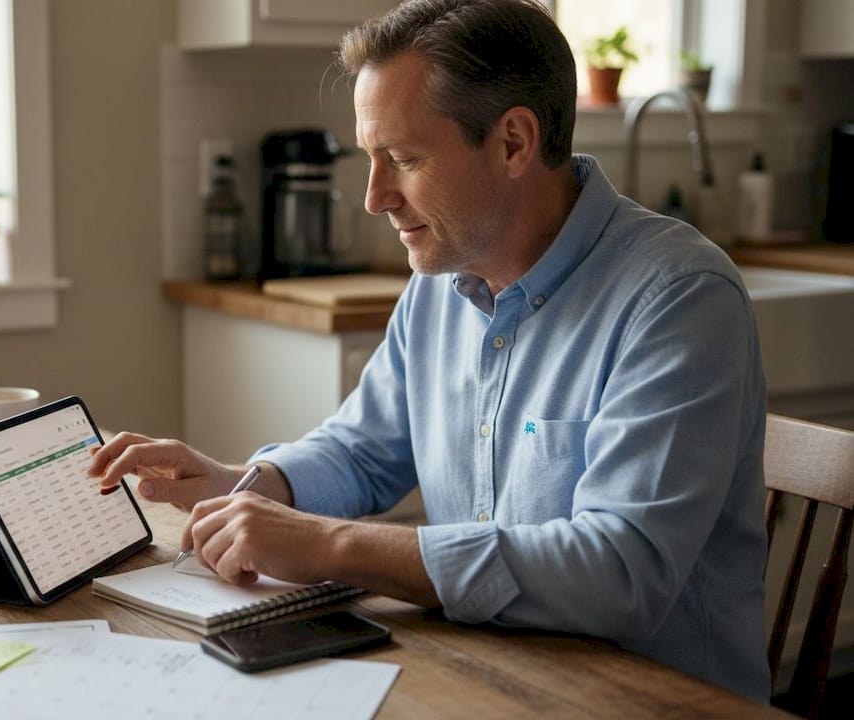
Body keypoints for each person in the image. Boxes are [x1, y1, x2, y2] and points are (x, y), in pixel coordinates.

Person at [90, 0, 769, 701]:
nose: (374, 198)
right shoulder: (443, 279)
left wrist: (330, 546)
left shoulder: (679, 297)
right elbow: (363, 450)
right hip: (491, 677)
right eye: (369, 159)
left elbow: (619, 572)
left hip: (651, 701)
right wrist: (246, 486)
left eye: (404, 159)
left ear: (513, 142)